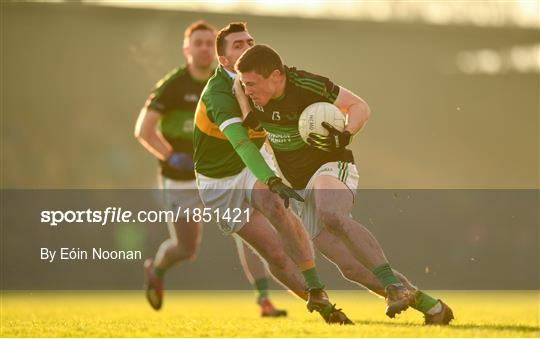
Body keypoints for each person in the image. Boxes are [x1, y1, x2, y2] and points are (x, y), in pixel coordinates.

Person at [233, 44, 454, 325]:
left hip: (331, 165)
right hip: (298, 186)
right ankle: (432, 307)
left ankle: (394, 286)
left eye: (252, 83)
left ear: (276, 76)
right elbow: (238, 90)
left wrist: (346, 134)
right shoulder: (248, 93)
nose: (248, 89)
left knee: (331, 213)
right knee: (350, 267)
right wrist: (243, 100)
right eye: (244, 84)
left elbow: (360, 107)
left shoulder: (308, 85)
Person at [192, 22, 352, 325]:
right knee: (274, 252)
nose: (248, 47)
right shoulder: (218, 94)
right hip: (219, 181)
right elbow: (241, 143)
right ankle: (323, 307)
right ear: (223, 61)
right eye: (238, 45)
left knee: (275, 206)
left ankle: (316, 286)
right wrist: (273, 178)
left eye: (250, 41)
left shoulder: (266, 76)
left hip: (254, 163)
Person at [134, 20, 286, 317]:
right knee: (186, 248)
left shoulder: (238, 83)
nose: (203, 48)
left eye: (208, 42)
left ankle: (264, 299)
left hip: (224, 173)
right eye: (198, 43)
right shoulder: (172, 86)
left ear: (218, 54)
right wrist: (171, 157)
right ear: (187, 49)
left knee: (246, 230)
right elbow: (144, 130)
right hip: (181, 178)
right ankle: (158, 269)